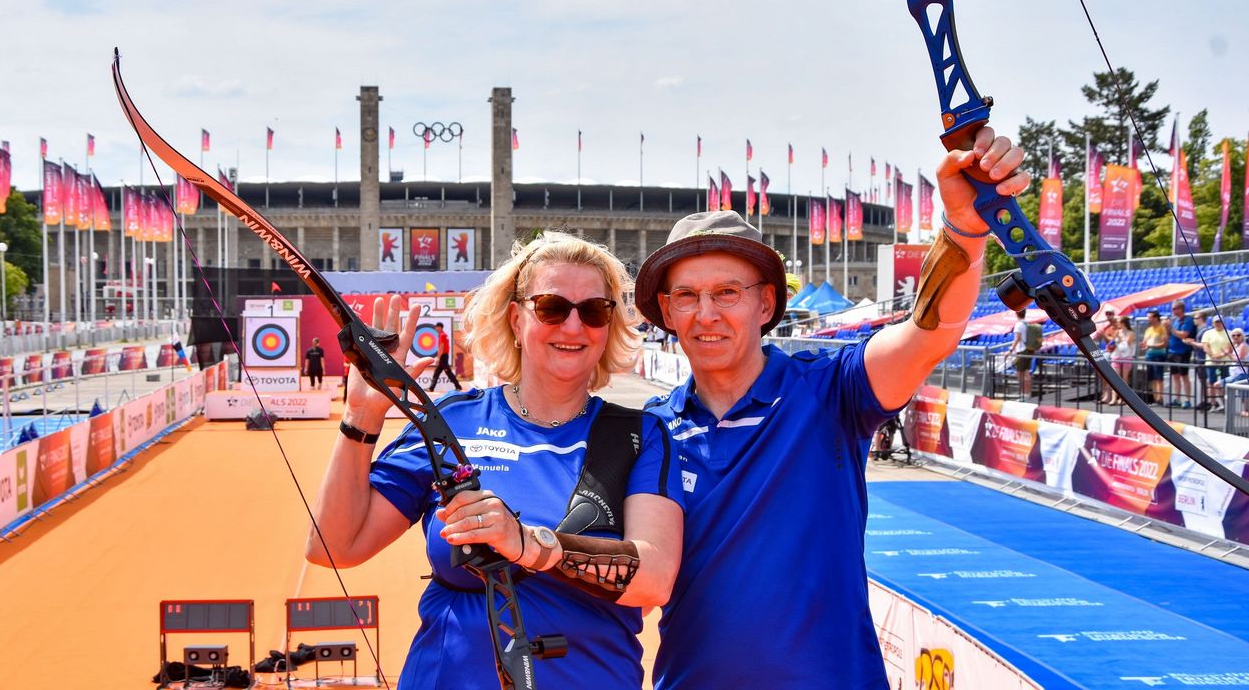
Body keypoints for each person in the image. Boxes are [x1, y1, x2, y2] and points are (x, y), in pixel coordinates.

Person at [634, 128, 1027, 688]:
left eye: (727, 292)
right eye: (687, 297)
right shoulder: (651, 428)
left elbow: (927, 336)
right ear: (667, 313)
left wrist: (964, 226)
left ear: (765, 302)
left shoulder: (828, 390)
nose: (707, 314)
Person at [305, 231, 683, 690]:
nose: (573, 326)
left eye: (594, 311)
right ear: (516, 318)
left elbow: (655, 577)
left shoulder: (638, 435)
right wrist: (360, 417)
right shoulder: (455, 421)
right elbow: (332, 547)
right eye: (551, 308)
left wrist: (527, 544)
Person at [1188, 315, 1233, 411]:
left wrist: (1219, 356)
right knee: (1211, 383)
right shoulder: (1208, 333)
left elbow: (1229, 347)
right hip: (1211, 362)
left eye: (1220, 322)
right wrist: (1213, 356)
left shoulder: (1229, 333)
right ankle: (1213, 404)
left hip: (1224, 362)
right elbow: (1205, 346)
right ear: (1213, 323)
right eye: (1216, 322)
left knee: (1223, 383)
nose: (1218, 324)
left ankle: (1225, 405)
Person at [1166, 299, 1196, 407]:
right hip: (1172, 351)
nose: (1172, 310)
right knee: (1175, 376)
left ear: (1180, 309)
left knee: (1184, 376)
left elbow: (1183, 334)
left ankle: (1187, 399)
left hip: (1182, 351)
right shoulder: (1175, 320)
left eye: (1174, 308)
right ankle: (1177, 399)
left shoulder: (1187, 320)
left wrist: (1171, 329)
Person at [1007, 308, 1039, 397]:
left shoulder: (1019, 325)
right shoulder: (1027, 323)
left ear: (1017, 313)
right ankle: (1027, 393)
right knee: (1026, 372)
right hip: (1028, 350)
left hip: (1022, 351)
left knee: (1020, 373)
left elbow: (1017, 338)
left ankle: (1024, 394)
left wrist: (1010, 350)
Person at [1105, 316, 1135, 406]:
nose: (1117, 323)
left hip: (1126, 356)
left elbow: (1127, 344)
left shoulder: (1131, 333)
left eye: (1118, 322)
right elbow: (1113, 343)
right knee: (1116, 378)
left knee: (1124, 379)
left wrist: (1119, 338)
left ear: (1123, 323)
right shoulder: (1117, 332)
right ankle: (1114, 398)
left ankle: (1123, 398)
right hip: (1116, 356)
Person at [1143, 310, 1169, 405]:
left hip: (1158, 355)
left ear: (1156, 318)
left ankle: (1159, 398)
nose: (1148, 319)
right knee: (1152, 378)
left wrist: (1152, 346)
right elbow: (1145, 343)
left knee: (1158, 377)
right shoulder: (1148, 330)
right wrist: (1145, 345)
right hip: (1149, 355)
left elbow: (1164, 343)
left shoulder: (1162, 328)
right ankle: (1155, 398)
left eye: (1150, 317)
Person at [428, 321, 463, 391]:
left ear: (440, 327)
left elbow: (441, 347)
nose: (435, 329)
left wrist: (438, 358)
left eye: (436, 327)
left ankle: (458, 386)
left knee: (448, 372)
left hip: (443, 357)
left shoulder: (442, 335)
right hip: (444, 356)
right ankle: (431, 388)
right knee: (437, 373)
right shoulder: (443, 335)